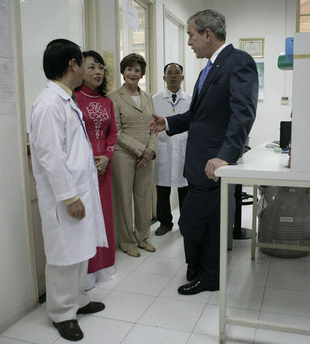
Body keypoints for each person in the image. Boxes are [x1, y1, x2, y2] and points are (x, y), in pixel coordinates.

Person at [150, 9, 258, 295]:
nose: (189, 42)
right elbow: (198, 117)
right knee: (202, 223)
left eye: (191, 34)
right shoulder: (206, 70)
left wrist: (225, 155)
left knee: (196, 221)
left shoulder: (239, 62)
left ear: (207, 34)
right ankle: (204, 270)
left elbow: (243, 115)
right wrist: (168, 122)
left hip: (214, 162)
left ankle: (206, 273)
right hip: (198, 162)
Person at [29, 39, 107, 341]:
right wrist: (70, 197)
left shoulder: (66, 98)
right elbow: (51, 157)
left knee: (79, 251)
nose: (87, 71)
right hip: (66, 197)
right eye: (83, 64)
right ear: (73, 64)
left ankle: (76, 300)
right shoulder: (49, 104)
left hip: (79, 190)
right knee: (64, 255)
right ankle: (62, 313)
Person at [74, 50, 117, 290]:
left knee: (105, 217)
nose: (98, 71)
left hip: (104, 167)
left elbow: (113, 133)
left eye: (100, 67)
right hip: (84, 168)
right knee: (88, 220)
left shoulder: (107, 101)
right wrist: (91, 159)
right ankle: (88, 272)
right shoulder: (73, 99)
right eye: (91, 67)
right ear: (79, 70)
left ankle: (105, 267)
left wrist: (107, 157)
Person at [109, 53, 157, 257]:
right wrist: (140, 150)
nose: (133, 73)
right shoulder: (114, 98)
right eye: (129, 69)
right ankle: (127, 241)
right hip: (124, 155)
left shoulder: (147, 97)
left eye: (137, 70)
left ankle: (143, 238)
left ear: (142, 74)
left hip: (146, 155)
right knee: (124, 199)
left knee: (143, 197)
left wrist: (151, 151)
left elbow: (154, 127)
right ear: (123, 71)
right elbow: (116, 131)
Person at [152, 63, 191, 236]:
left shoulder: (191, 100)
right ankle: (165, 222)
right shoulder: (155, 100)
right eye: (170, 73)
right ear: (164, 77)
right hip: (163, 148)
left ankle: (185, 223)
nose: (173, 76)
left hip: (184, 150)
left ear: (182, 77)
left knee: (185, 190)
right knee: (162, 190)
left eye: (177, 73)